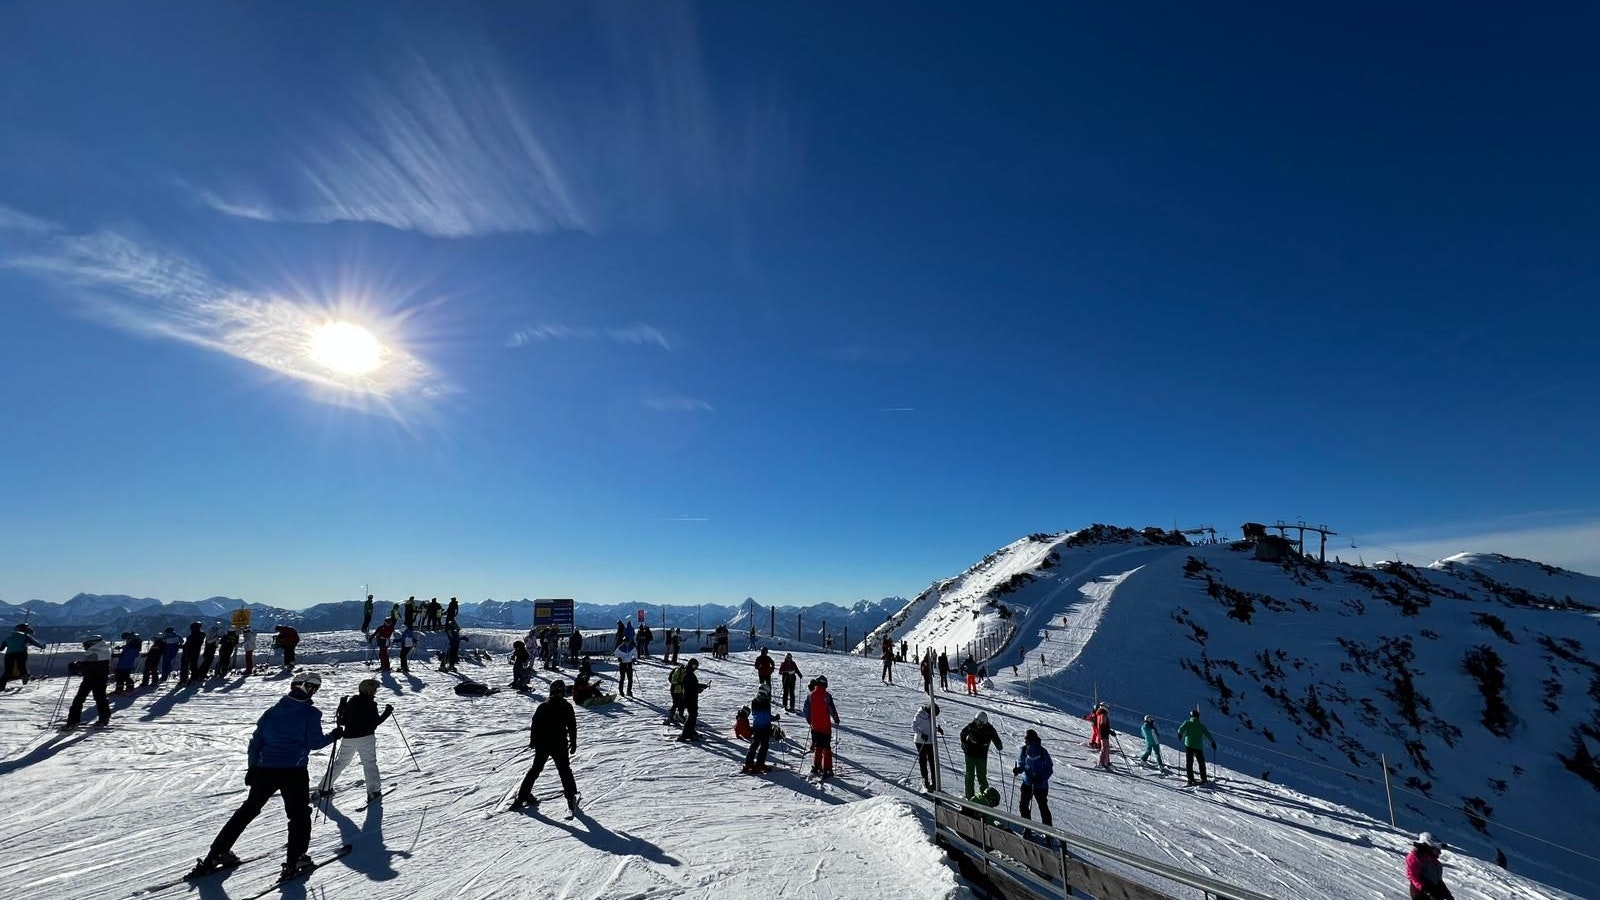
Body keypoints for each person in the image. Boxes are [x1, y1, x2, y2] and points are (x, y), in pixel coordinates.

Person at [196, 673, 342, 881]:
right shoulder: (311, 713)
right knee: (298, 815)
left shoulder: (272, 712)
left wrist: (252, 768)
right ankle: (296, 859)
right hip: (293, 771)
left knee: (248, 810)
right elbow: (315, 743)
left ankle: (216, 853)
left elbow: (255, 743)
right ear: (309, 690)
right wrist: (333, 735)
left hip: (265, 769)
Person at [514, 678, 580, 815]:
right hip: (559, 744)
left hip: (543, 744)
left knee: (535, 769)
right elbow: (572, 726)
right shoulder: (566, 706)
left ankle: (522, 796)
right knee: (564, 770)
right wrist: (573, 742)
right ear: (562, 691)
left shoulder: (543, 706)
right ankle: (570, 796)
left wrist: (533, 741)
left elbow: (535, 725)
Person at [319, 678, 393, 801]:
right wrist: (387, 712)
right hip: (366, 738)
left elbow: (341, 721)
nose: (375, 692)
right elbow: (374, 723)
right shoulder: (371, 704)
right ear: (368, 691)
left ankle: (324, 788)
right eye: (374, 690)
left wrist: (342, 706)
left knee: (341, 762)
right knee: (369, 763)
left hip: (349, 738)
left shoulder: (351, 702)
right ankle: (373, 791)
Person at [63, 636, 114, 729]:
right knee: (100, 698)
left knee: (79, 699)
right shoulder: (102, 650)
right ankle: (104, 718)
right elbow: (93, 665)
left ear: (92, 643)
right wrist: (80, 665)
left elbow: (91, 666)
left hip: (91, 678)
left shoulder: (97, 651)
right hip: (100, 678)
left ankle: (73, 721)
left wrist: (77, 665)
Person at [1014, 729, 1055, 829]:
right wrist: (1019, 769)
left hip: (1037, 784)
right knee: (1030, 806)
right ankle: (1030, 828)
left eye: (1028, 740)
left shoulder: (1041, 751)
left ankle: (1041, 830)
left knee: (1039, 807)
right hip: (1032, 783)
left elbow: (1049, 768)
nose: (1027, 742)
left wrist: (1041, 778)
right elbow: (1022, 764)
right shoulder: (1025, 750)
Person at [801, 674, 841, 777]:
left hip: (815, 726)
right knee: (826, 747)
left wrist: (810, 720)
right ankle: (827, 769)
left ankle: (816, 766)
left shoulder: (810, 695)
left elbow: (805, 710)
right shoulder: (827, 696)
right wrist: (836, 719)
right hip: (825, 726)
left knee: (818, 745)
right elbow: (832, 709)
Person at [959, 711, 1002, 799]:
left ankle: (985, 797)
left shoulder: (990, 730)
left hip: (982, 756)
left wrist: (998, 745)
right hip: (970, 753)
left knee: (981, 776)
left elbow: (996, 738)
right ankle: (969, 796)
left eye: (980, 723)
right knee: (969, 775)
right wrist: (964, 744)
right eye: (977, 722)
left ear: (984, 723)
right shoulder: (971, 726)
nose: (978, 725)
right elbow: (963, 733)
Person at [1405, 832, 1456, 900]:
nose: (1439, 853)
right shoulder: (1415, 857)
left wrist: (1447, 895)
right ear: (1429, 847)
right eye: (1437, 850)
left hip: (1435, 893)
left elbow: (1439, 881)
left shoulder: (1436, 863)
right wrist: (1425, 890)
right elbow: (1412, 876)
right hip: (1421, 894)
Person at [742, 684, 778, 774]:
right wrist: (775, 718)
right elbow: (767, 715)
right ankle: (759, 765)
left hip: (756, 725)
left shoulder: (754, 700)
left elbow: (754, 713)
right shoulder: (766, 701)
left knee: (755, 744)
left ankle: (748, 763)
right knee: (764, 746)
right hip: (765, 726)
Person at [1177, 708, 1217, 786]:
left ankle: (1190, 779)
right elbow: (1208, 734)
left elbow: (1180, 730)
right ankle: (1204, 778)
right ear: (1198, 717)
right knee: (1201, 762)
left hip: (1189, 745)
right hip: (1198, 746)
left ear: (1191, 716)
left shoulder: (1187, 723)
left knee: (1189, 762)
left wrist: (1180, 735)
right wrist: (1213, 742)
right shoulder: (1201, 726)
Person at [1, 624, 46, 690]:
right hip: (21, 654)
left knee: (8, 671)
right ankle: (25, 683)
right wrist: (42, 646)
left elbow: (1, 648)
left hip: (9, 655)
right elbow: (35, 643)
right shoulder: (25, 636)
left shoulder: (8, 638)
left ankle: (1, 687)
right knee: (22, 667)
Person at [913, 702, 943, 790]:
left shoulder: (931, 715)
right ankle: (925, 780)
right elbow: (914, 726)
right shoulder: (920, 714)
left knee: (932, 761)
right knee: (923, 761)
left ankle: (934, 782)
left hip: (930, 741)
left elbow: (931, 726)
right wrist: (921, 734)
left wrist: (937, 729)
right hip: (920, 741)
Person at [677, 659, 709, 741]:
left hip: (691, 697)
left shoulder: (689, 673)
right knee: (692, 716)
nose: (695, 668)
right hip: (689, 698)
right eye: (694, 666)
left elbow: (693, 685)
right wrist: (698, 689)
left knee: (693, 715)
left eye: (696, 666)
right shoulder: (688, 674)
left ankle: (691, 732)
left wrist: (701, 686)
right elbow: (690, 687)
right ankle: (684, 734)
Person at [1085, 703, 1112, 770]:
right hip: (1104, 733)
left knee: (1106, 747)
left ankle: (1106, 762)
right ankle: (1102, 763)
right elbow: (1103, 724)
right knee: (1105, 748)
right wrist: (1109, 731)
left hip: (1102, 732)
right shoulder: (1103, 714)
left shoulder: (1099, 713)